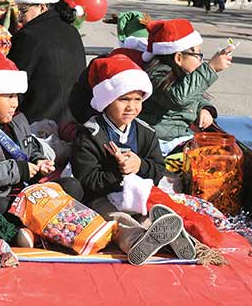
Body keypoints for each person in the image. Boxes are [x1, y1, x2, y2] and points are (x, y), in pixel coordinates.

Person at [71, 55, 190, 266]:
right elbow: (87, 180)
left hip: (138, 194)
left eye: (137, 100)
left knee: (149, 213)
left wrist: (140, 166)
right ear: (107, 100)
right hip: (101, 196)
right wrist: (119, 172)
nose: (131, 107)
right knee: (116, 219)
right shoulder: (91, 134)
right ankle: (138, 240)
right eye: (123, 99)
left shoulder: (145, 132)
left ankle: (174, 238)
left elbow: (158, 169)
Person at [0, 44, 84, 237]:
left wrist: (39, 160)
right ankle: (32, 230)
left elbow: (30, 147)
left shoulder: (18, 119)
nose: (14, 103)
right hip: (0, 195)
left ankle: (37, 227)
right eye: (8, 96)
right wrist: (18, 170)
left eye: (16, 96)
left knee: (71, 186)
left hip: (28, 191)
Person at [139, 19, 232, 154]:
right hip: (159, 142)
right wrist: (210, 68)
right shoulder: (157, 74)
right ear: (179, 58)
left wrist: (204, 109)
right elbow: (178, 98)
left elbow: (194, 95)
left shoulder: (181, 74)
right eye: (198, 55)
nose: (201, 60)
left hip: (180, 137)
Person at [9, 0, 86, 123]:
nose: (20, 18)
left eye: (23, 11)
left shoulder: (29, 35)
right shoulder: (71, 30)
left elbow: (14, 85)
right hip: (73, 120)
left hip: (39, 123)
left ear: (42, 7)